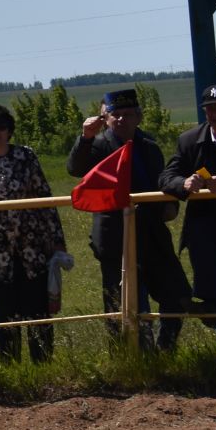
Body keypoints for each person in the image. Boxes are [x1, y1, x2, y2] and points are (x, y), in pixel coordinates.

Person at [67, 89, 190, 350]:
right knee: (126, 306)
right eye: (115, 115)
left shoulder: (149, 146)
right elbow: (75, 168)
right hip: (116, 239)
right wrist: (85, 137)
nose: (121, 120)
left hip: (152, 235)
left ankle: (163, 353)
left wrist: (169, 203)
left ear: (138, 116)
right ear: (106, 118)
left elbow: (161, 181)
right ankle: (132, 361)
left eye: (127, 114)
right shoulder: (98, 145)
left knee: (177, 297)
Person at [0, 102, 68, 361]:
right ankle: (10, 371)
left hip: (32, 249)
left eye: (0, 126)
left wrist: (57, 241)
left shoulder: (26, 156)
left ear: (9, 130)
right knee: (5, 314)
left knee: (38, 313)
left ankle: (43, 369)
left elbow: (46, 200)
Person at [161, 83, 216, 362]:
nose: (214, 114)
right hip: (211, 238)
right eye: (209, 109)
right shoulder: (189, 140)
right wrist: (183, 183)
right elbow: (166, 177)